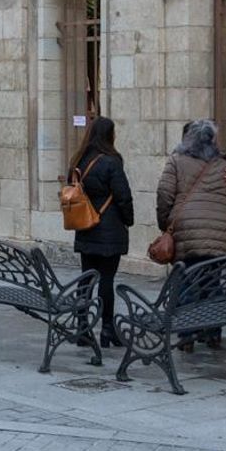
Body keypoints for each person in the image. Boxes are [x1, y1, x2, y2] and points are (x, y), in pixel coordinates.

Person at [157, 119, 226, 350]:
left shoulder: (176, 161)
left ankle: (187, 334)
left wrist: (166, 224)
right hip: (219, 235)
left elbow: (164, 195)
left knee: (186, 281)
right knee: (212, 281)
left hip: (186, 232)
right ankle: (212, 332)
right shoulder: (223, 165)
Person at [69, 117, 133, 347]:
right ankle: (107, 329)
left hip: (86, 227)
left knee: (86, 278)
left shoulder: (79, 159)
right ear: (110, 135)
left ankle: (82, 327)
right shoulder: (112, 161)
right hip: (109, 229)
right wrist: (129, 220)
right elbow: (123, 195)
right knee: (106, 279)